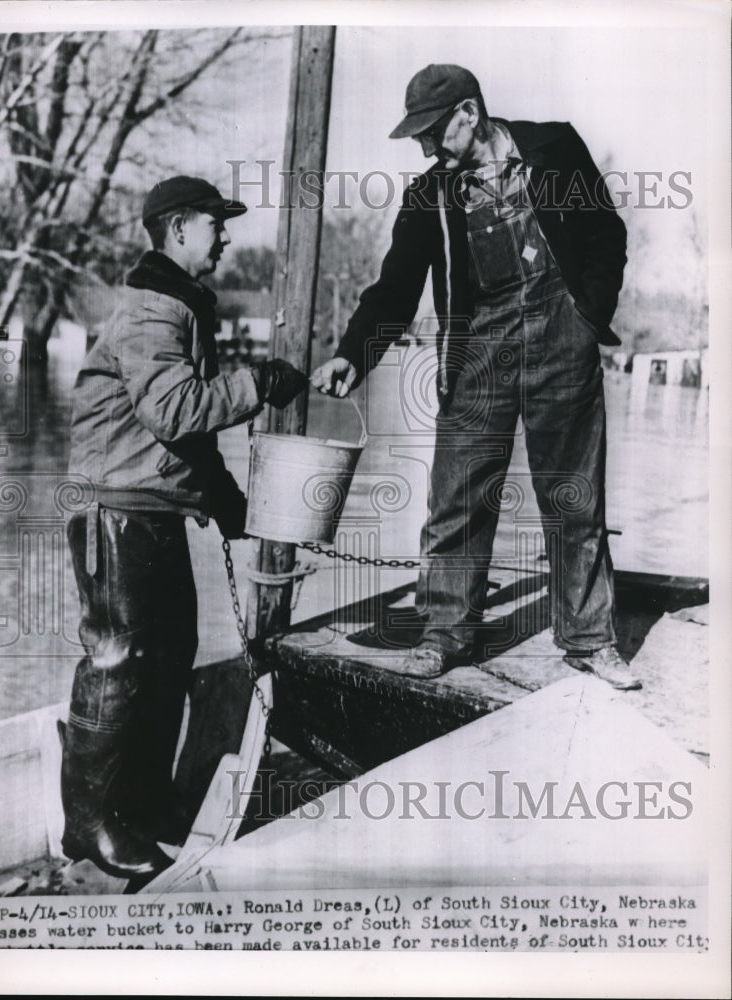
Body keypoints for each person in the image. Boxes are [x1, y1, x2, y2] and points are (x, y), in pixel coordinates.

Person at [311, 64, 640, 691]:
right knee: (456, 496)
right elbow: (394, 291)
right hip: (478, 350)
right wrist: (352, 353)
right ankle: (444, 634)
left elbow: (606, 234)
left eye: (435, 133)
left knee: (575, 496)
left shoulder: (555, 148)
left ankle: (591, 640)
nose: (429, 148)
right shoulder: (429, 196)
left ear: (470, 112)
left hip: (561, 340)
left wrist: (587, 311)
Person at [63, 175, 308, 880]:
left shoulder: (179, 308)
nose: (225, 236)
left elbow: (184, 437)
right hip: (115, 511)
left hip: (148, 510)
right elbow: (176, 411)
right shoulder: (151, 311)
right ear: (177, 230)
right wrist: (258, 383)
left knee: (168, 660)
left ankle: (137, 808)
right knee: (117, 661)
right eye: (215, 224)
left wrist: (228, 501)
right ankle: (88, 823)